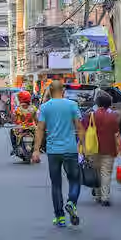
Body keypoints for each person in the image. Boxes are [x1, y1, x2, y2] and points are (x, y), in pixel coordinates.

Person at [32, 81, 85, 227]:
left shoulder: (44, 107)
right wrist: (84, 147)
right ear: (63, 90)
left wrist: (36, 150)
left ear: (49, 90)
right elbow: (79, 127)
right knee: (75, 180)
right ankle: (71, 202)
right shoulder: (72, 105)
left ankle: (60, 217)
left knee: (56, 184)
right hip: (70, 149)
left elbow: (40, 129)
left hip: (53, 151)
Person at [84, 90, 121, 206]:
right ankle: (105, 198)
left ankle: (97, 195)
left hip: (93, 149)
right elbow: (116, 135)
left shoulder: (91, 115)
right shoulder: (113, 117)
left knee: (96, 172)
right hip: (109, 149)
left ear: (97, 103)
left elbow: (84, 132)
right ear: (109, 104)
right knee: (106, 173)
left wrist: (81, 147)